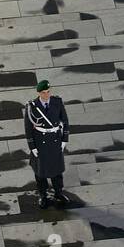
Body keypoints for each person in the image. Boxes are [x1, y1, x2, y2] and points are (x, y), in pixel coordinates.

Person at [25, 80, 70, 209]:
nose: (46, 95)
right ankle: (43, 195)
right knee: (40, 172)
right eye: (44, 93)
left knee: (57, 170)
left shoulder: (57, 102)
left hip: (55, 140)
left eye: (48, 92)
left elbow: (65, 121)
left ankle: (58, 193)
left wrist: (64, 139)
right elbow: (28, 128)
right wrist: (32, 147)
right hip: (41, 142)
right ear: (39, 93)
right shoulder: (32, 106)